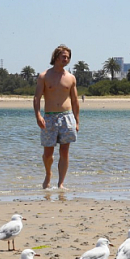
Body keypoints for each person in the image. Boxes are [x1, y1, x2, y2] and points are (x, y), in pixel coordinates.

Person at [34, 45, 80, 189]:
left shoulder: (71, 78)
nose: (66, 59)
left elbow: (75, 100)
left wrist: (77, 121)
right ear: (56, 57)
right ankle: (48, 175)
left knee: (64, 151)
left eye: (68, 57)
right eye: (63, 56)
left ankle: (61, 183)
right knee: (48, 153)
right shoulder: (44, 76)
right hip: (50, 117)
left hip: (67, 117)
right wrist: (38, 115)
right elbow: (37, 98)